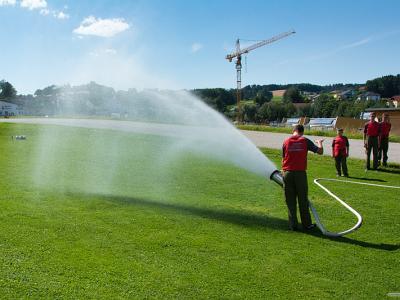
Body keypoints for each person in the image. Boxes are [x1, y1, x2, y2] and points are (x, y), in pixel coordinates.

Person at [282, 124, 324, 231]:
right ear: (302, 132)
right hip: (300, 174)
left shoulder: (286, 141)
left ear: (294, 130)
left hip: (287, 173)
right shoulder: (305, 140)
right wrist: (319, 143)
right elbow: (320, 152)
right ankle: (307, 225)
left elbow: (283, 158)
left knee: (290, 201)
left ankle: (293, 225)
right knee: (303, 200)